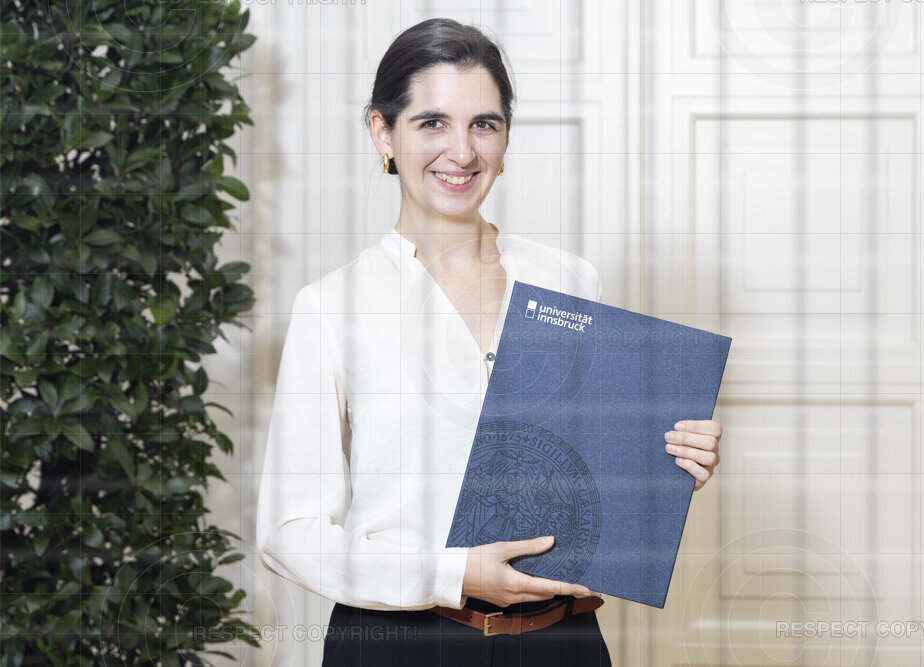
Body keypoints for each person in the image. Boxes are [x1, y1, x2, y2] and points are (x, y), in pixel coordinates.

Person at [255, 17, 723, 666]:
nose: (463, 151)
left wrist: (666, 469)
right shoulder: (333, 307)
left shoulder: (567, 280)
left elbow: (584, 477)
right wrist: (450, 574)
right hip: (401, 646)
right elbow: (288, 533)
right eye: (432, 123)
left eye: (484, 124)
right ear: (382, 132)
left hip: (562, 641)